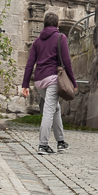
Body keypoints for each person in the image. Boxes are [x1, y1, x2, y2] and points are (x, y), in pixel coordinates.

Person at [22, 11, 77, 155]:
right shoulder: (60, 37)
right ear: (57, 24)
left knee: (55, 108)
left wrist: (25, 84)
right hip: (53, 79)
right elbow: (67, 62)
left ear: (44, 24)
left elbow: (29, 64)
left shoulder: (37, 41)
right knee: (48, 110)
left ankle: (60, 142)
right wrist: (73, 81)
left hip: (39, 81)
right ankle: (43, 145)